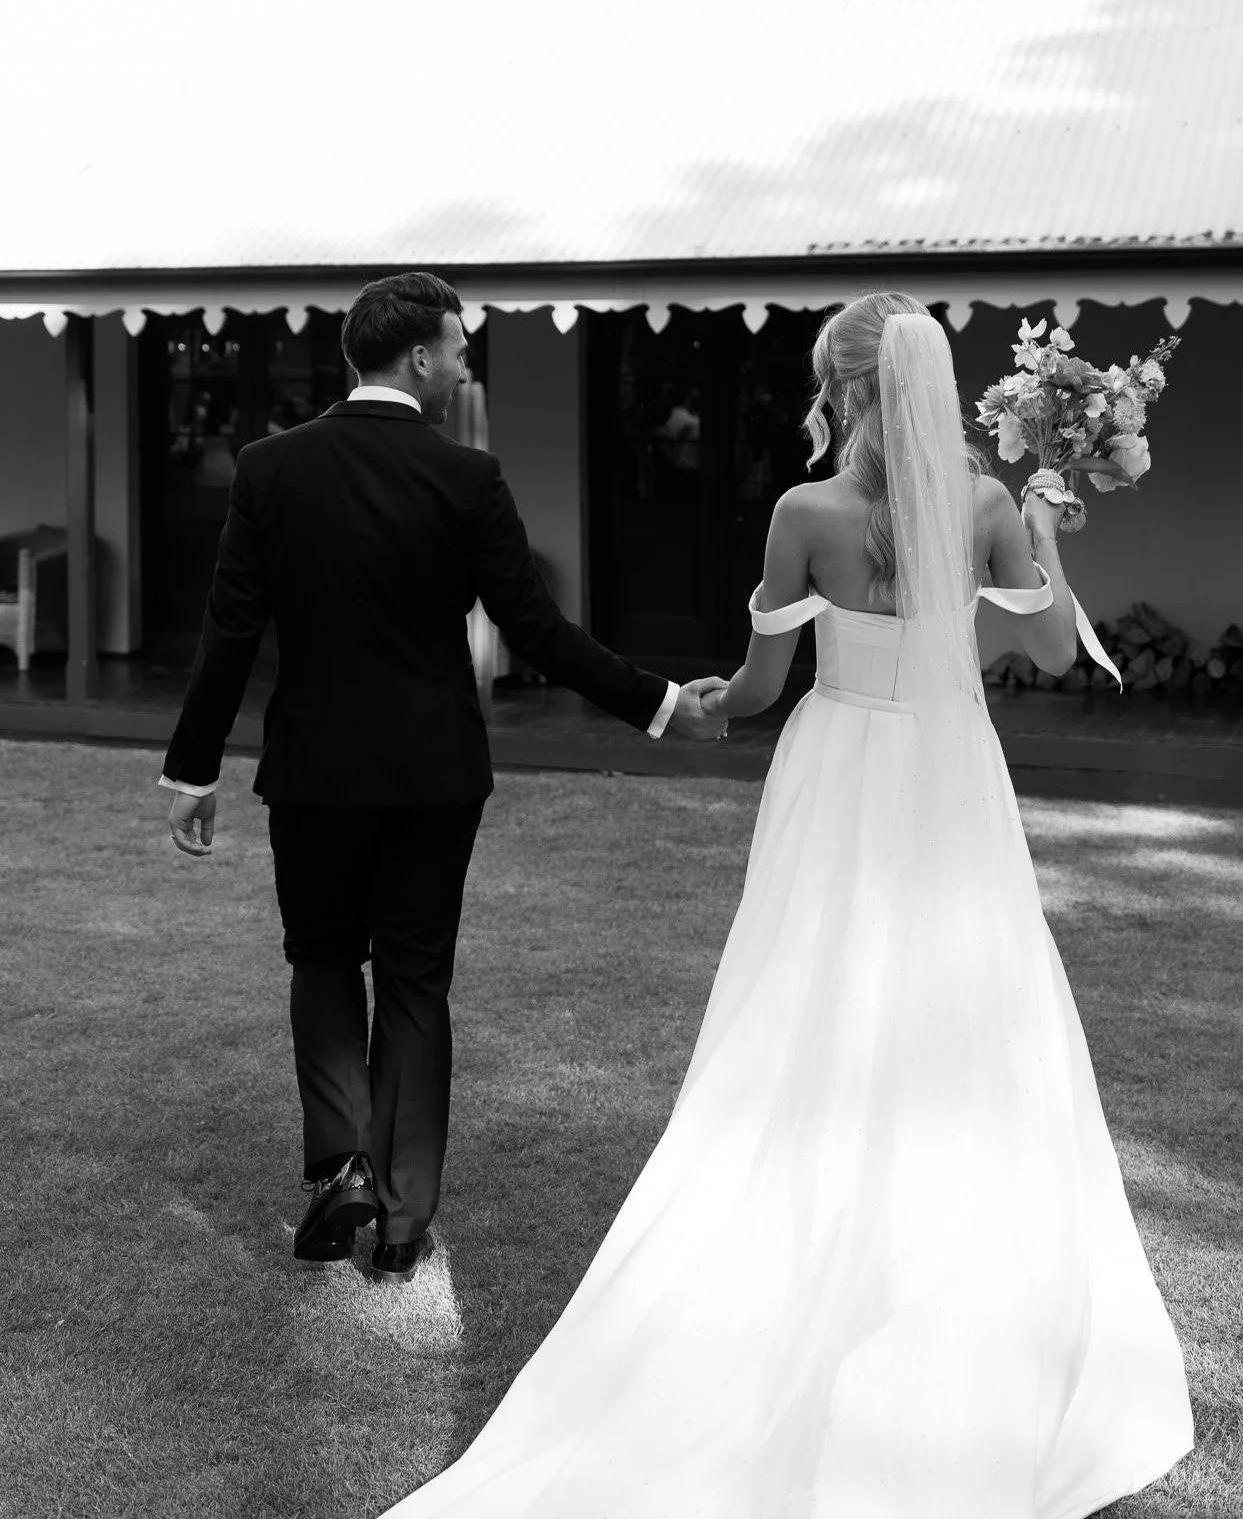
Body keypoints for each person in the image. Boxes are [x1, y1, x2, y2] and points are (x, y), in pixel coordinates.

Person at [384, 292, 1193, 1517]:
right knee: (957, 1005)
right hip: (951, 772)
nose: (818, 402)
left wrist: (701, 698)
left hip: (838, 773)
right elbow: (1046, 657)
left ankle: (815, 1226)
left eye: (826, 382)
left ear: (855, 391)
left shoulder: (804, 513)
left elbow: (762, 687)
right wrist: (1045, 527)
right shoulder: (980, 506)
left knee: (811, 999)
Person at [159, 272, 727, 1283]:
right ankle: (403, 1214)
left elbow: (231, 630)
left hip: (316, 769)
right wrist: (657, 700)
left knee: (324, 958)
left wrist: (192, 768)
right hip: (433, 770)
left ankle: (342, 1168)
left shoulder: (267, 467)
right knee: (415, 979)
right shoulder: (467, 477)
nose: (468, 358)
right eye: (459, 344)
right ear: (419, 357)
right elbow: (538, 629)